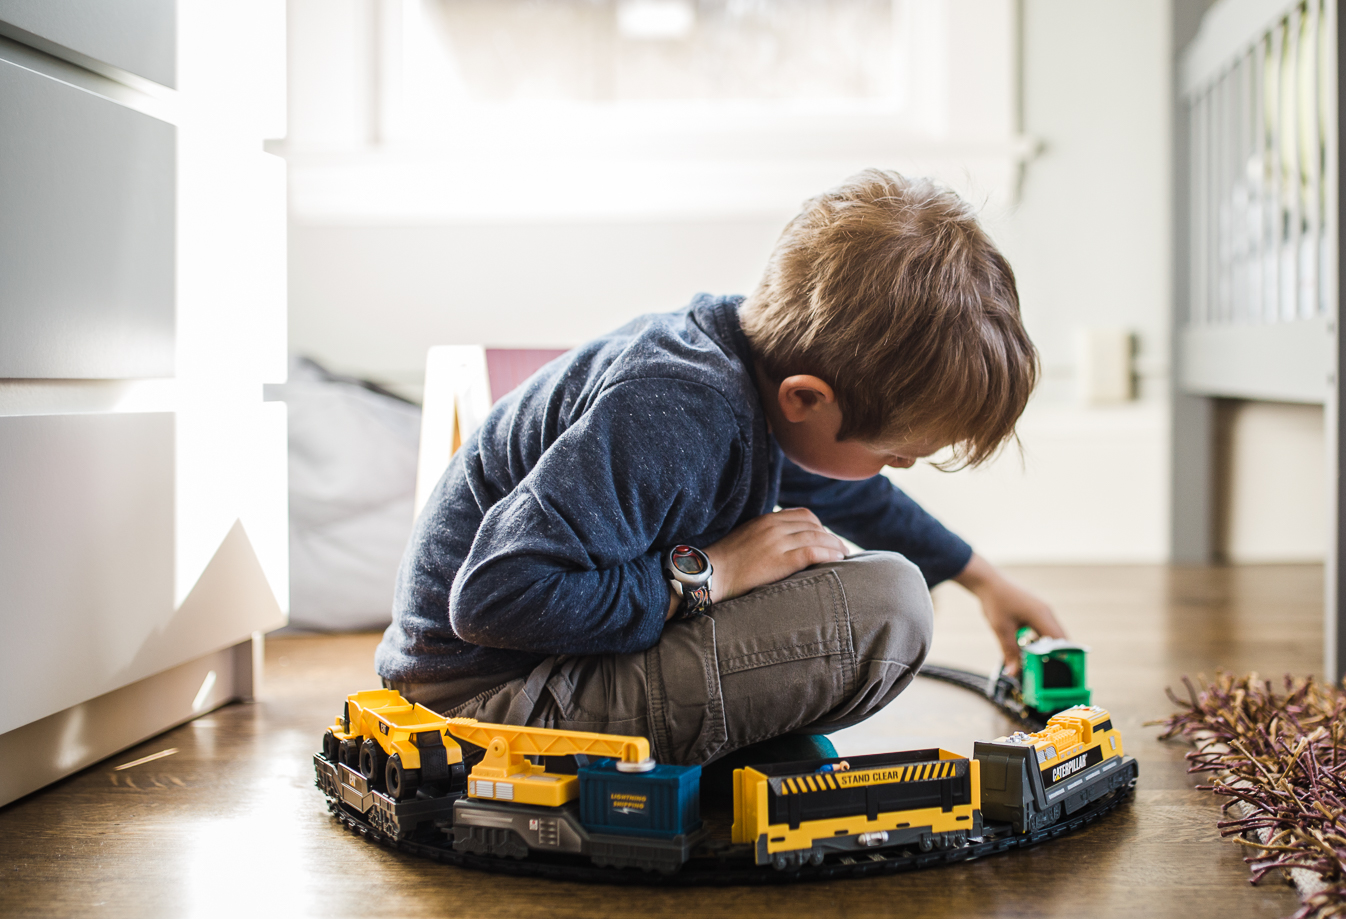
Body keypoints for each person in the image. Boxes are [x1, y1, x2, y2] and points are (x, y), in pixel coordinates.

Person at [375, 169, 1065, 767]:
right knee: (892, 608)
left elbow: (855, 496)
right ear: (806, 398)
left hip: (539, 666)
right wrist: (711, 575)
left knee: (851, 574)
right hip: (485, 704)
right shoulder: (676, 413)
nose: (901, 466)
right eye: (894, 452)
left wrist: (985, 582)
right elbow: (494, 599)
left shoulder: (746, 369)